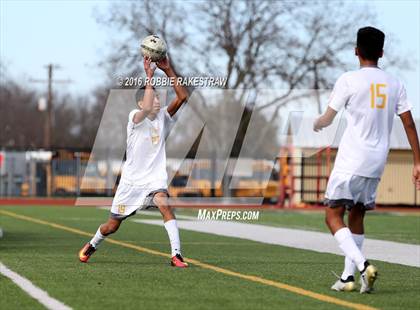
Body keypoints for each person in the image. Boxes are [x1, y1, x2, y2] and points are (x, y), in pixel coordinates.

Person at [313, 26, 420, 293]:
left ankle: (363, 266)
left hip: (352, 159)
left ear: (356, 51)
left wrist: (316, 123)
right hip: (376, 162)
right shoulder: (395, 83)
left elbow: (327, 118)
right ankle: (349, 279)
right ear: (381, 52)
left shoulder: (349, 79)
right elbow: (408, 124)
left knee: (332, 214)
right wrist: (418, 161)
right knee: (357, 215)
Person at [79, 56, 189, 267]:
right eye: (153, 97)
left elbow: (182, 96)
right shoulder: (134, 118)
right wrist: (149, 76)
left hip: (154, 180)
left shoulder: (163, 117)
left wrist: (168, 70)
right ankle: (93, 244)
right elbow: (146, 109)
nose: (157, 101)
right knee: (111, 226)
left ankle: (177, 255)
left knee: (165, 204)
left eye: (158, 97)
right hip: (130, 183)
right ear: (141, 102)